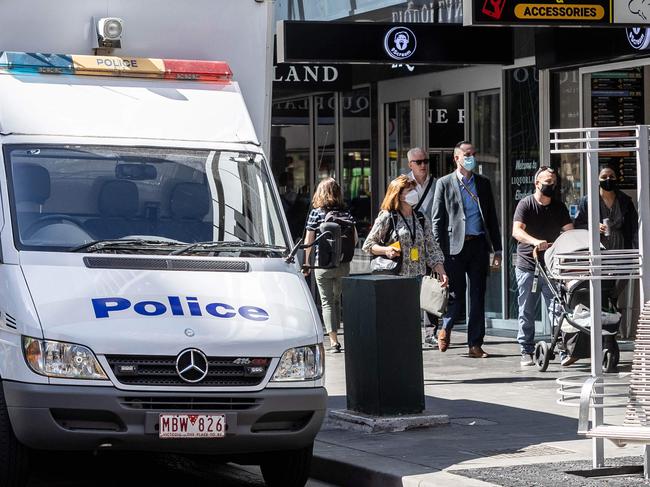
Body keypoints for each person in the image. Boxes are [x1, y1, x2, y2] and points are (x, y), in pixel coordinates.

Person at [432, 141, 502, 358]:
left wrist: (497, 250)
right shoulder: (444, 184)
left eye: (473, 153)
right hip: (454, 248)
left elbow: (491, 218)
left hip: (478, 245)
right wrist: (437, 256)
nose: (471, 157)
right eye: (467, 154)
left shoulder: (483, 183)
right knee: (456, 295)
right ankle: (446, 326)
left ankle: (475, 344)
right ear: (457, 158)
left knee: (478, 295)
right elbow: (437, 221)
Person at [512, 166, 574, 366]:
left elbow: (569, 232)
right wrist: (535, 241)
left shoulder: (559, 207)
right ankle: (526, 350)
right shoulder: (526, 204)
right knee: (527, 309)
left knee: (557, 308)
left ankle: (564, 349)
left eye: (553, 183)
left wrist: (564, 244)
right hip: (529, 265)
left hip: (552, 266)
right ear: (537, 183)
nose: (551, 186)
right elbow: (517, 231)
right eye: (547, 182)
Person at [363, 174, 448, 285]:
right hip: (395, 279)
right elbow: (368, 245)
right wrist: (386, 250)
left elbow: (432, 248)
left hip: (420, 279)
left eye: (414, 189)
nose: (415, 193)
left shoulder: (420, 218)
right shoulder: (388, 217)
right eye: (410, 190)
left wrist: (442, 272)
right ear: (399, 195)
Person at [303, 178, 355, 353]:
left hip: (322, 264)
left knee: (326, 303)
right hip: (343, 265)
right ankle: (342, 334)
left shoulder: (316, 213)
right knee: (336, 300)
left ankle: (334, 341)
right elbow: (354, 239)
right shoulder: (346, 213)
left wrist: (306, 262)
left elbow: (309, 238)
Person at [406, 147, 438, 345]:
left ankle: (430, 331)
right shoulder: (403, 184)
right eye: (419, 162)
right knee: (411, 285)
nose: (423, 165)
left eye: (426, 161)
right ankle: (408, 327)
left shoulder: (436, 184)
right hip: (409, 242)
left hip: (429, 241)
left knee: (430, 285)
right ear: (410, 164)